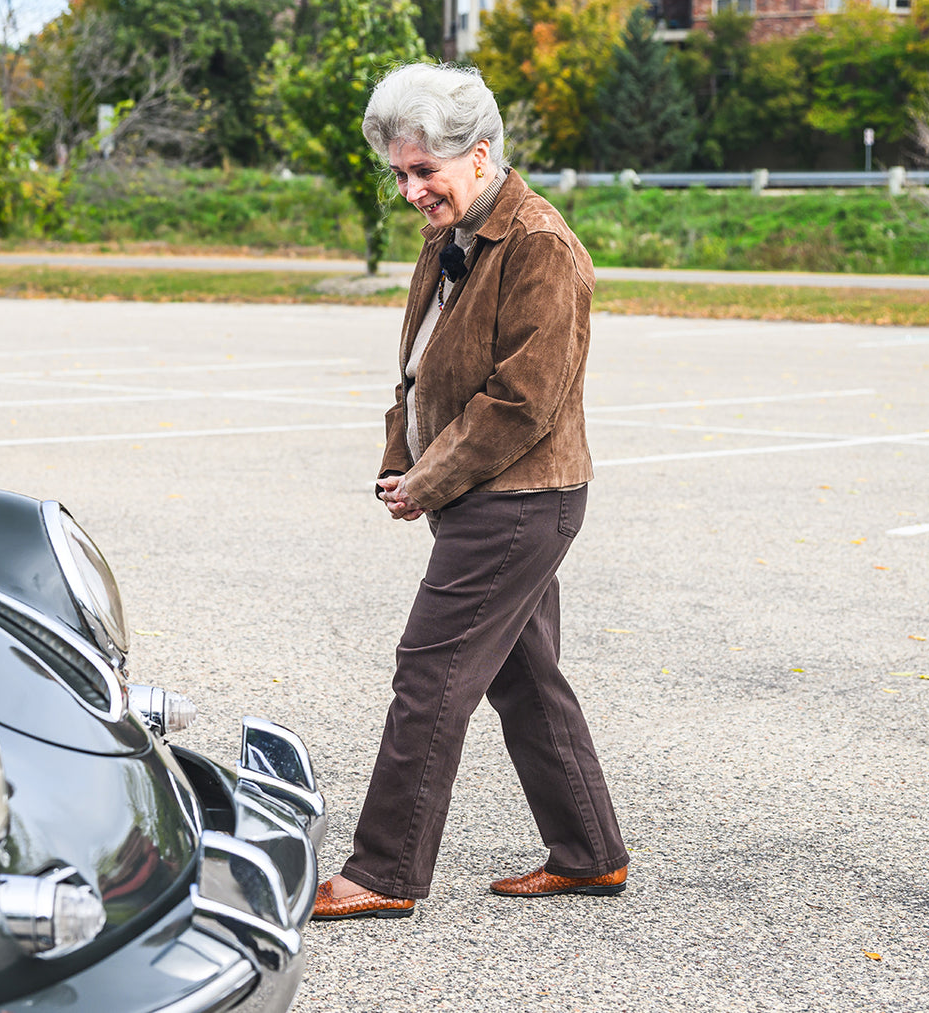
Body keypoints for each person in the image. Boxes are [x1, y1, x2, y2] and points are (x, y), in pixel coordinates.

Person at [311, 63, 627, 921]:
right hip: (483, 492)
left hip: (519, 497)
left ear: (480, 156)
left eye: (424, 171)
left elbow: (524, 400)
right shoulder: (457, 230)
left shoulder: (540, 247)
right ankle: (591, 853)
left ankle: (384, 869)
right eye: (400, 173)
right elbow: (425, 367)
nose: (410, 189)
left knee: (430, 670)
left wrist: (428, 478)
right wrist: (399, 453)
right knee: (525, 679)